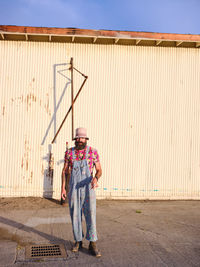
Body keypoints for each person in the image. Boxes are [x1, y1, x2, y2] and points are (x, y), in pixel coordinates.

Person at [61, 127, 102, 257]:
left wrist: (96, 178)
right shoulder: (69, 153)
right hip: (73, 188)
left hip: (88, 188)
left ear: (86, 139)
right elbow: (65, 171)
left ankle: (92, 243)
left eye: (82, 138)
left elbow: (99, 170)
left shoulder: (93, 152)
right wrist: (63, 188)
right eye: (77, 138)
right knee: (75, 215)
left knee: (91, 214)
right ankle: (78, 240)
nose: (79, 140)